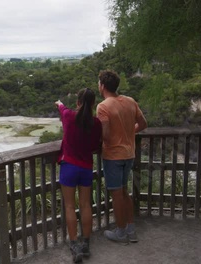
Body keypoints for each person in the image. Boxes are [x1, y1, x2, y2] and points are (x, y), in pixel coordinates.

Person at [96, 70, 147, 243]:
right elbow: (143, 123)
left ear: (102, 86)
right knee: (125, 192)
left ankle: (120, 232)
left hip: (113, 156)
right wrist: (128, 133)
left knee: (117, 195)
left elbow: (105, 134)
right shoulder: (130, 101)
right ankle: (131, 231)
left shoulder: (103, 106)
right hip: (129, 154)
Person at [55, 88, 102, 263]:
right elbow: (96, 145)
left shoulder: (69, 117)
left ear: (78, 102)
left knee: (69, 206)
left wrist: (59, 103)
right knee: (85, 205)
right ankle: (86, 242)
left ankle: (74, 244)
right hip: (86, 167)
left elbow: (62, 108)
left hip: (69, 166)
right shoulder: (96, 123)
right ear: (93, 104)